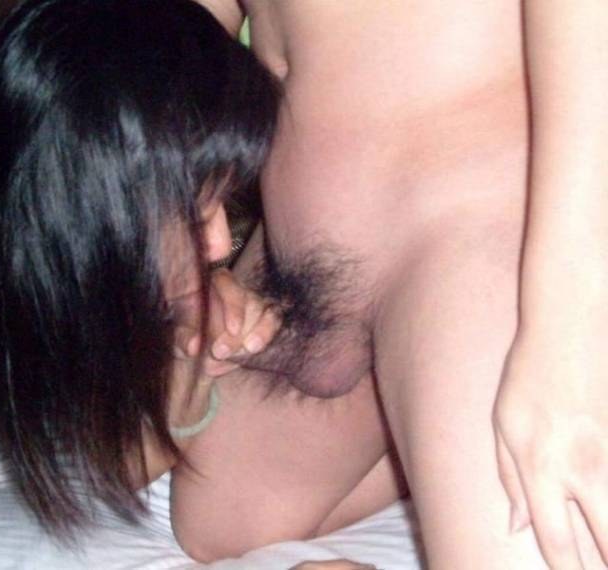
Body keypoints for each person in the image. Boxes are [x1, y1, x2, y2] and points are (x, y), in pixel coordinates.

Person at [173, 1, 608, 568]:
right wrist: (186, 255)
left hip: (480, 229)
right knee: (220, 523)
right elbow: (183, 31)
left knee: (543, 515)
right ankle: (422, 413)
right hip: (307, 268)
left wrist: (569, 330)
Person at [0, 1, 282, 567]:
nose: (220, 247)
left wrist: (193, 360)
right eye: (193, 211)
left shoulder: (33, 167)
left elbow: (119, 466)